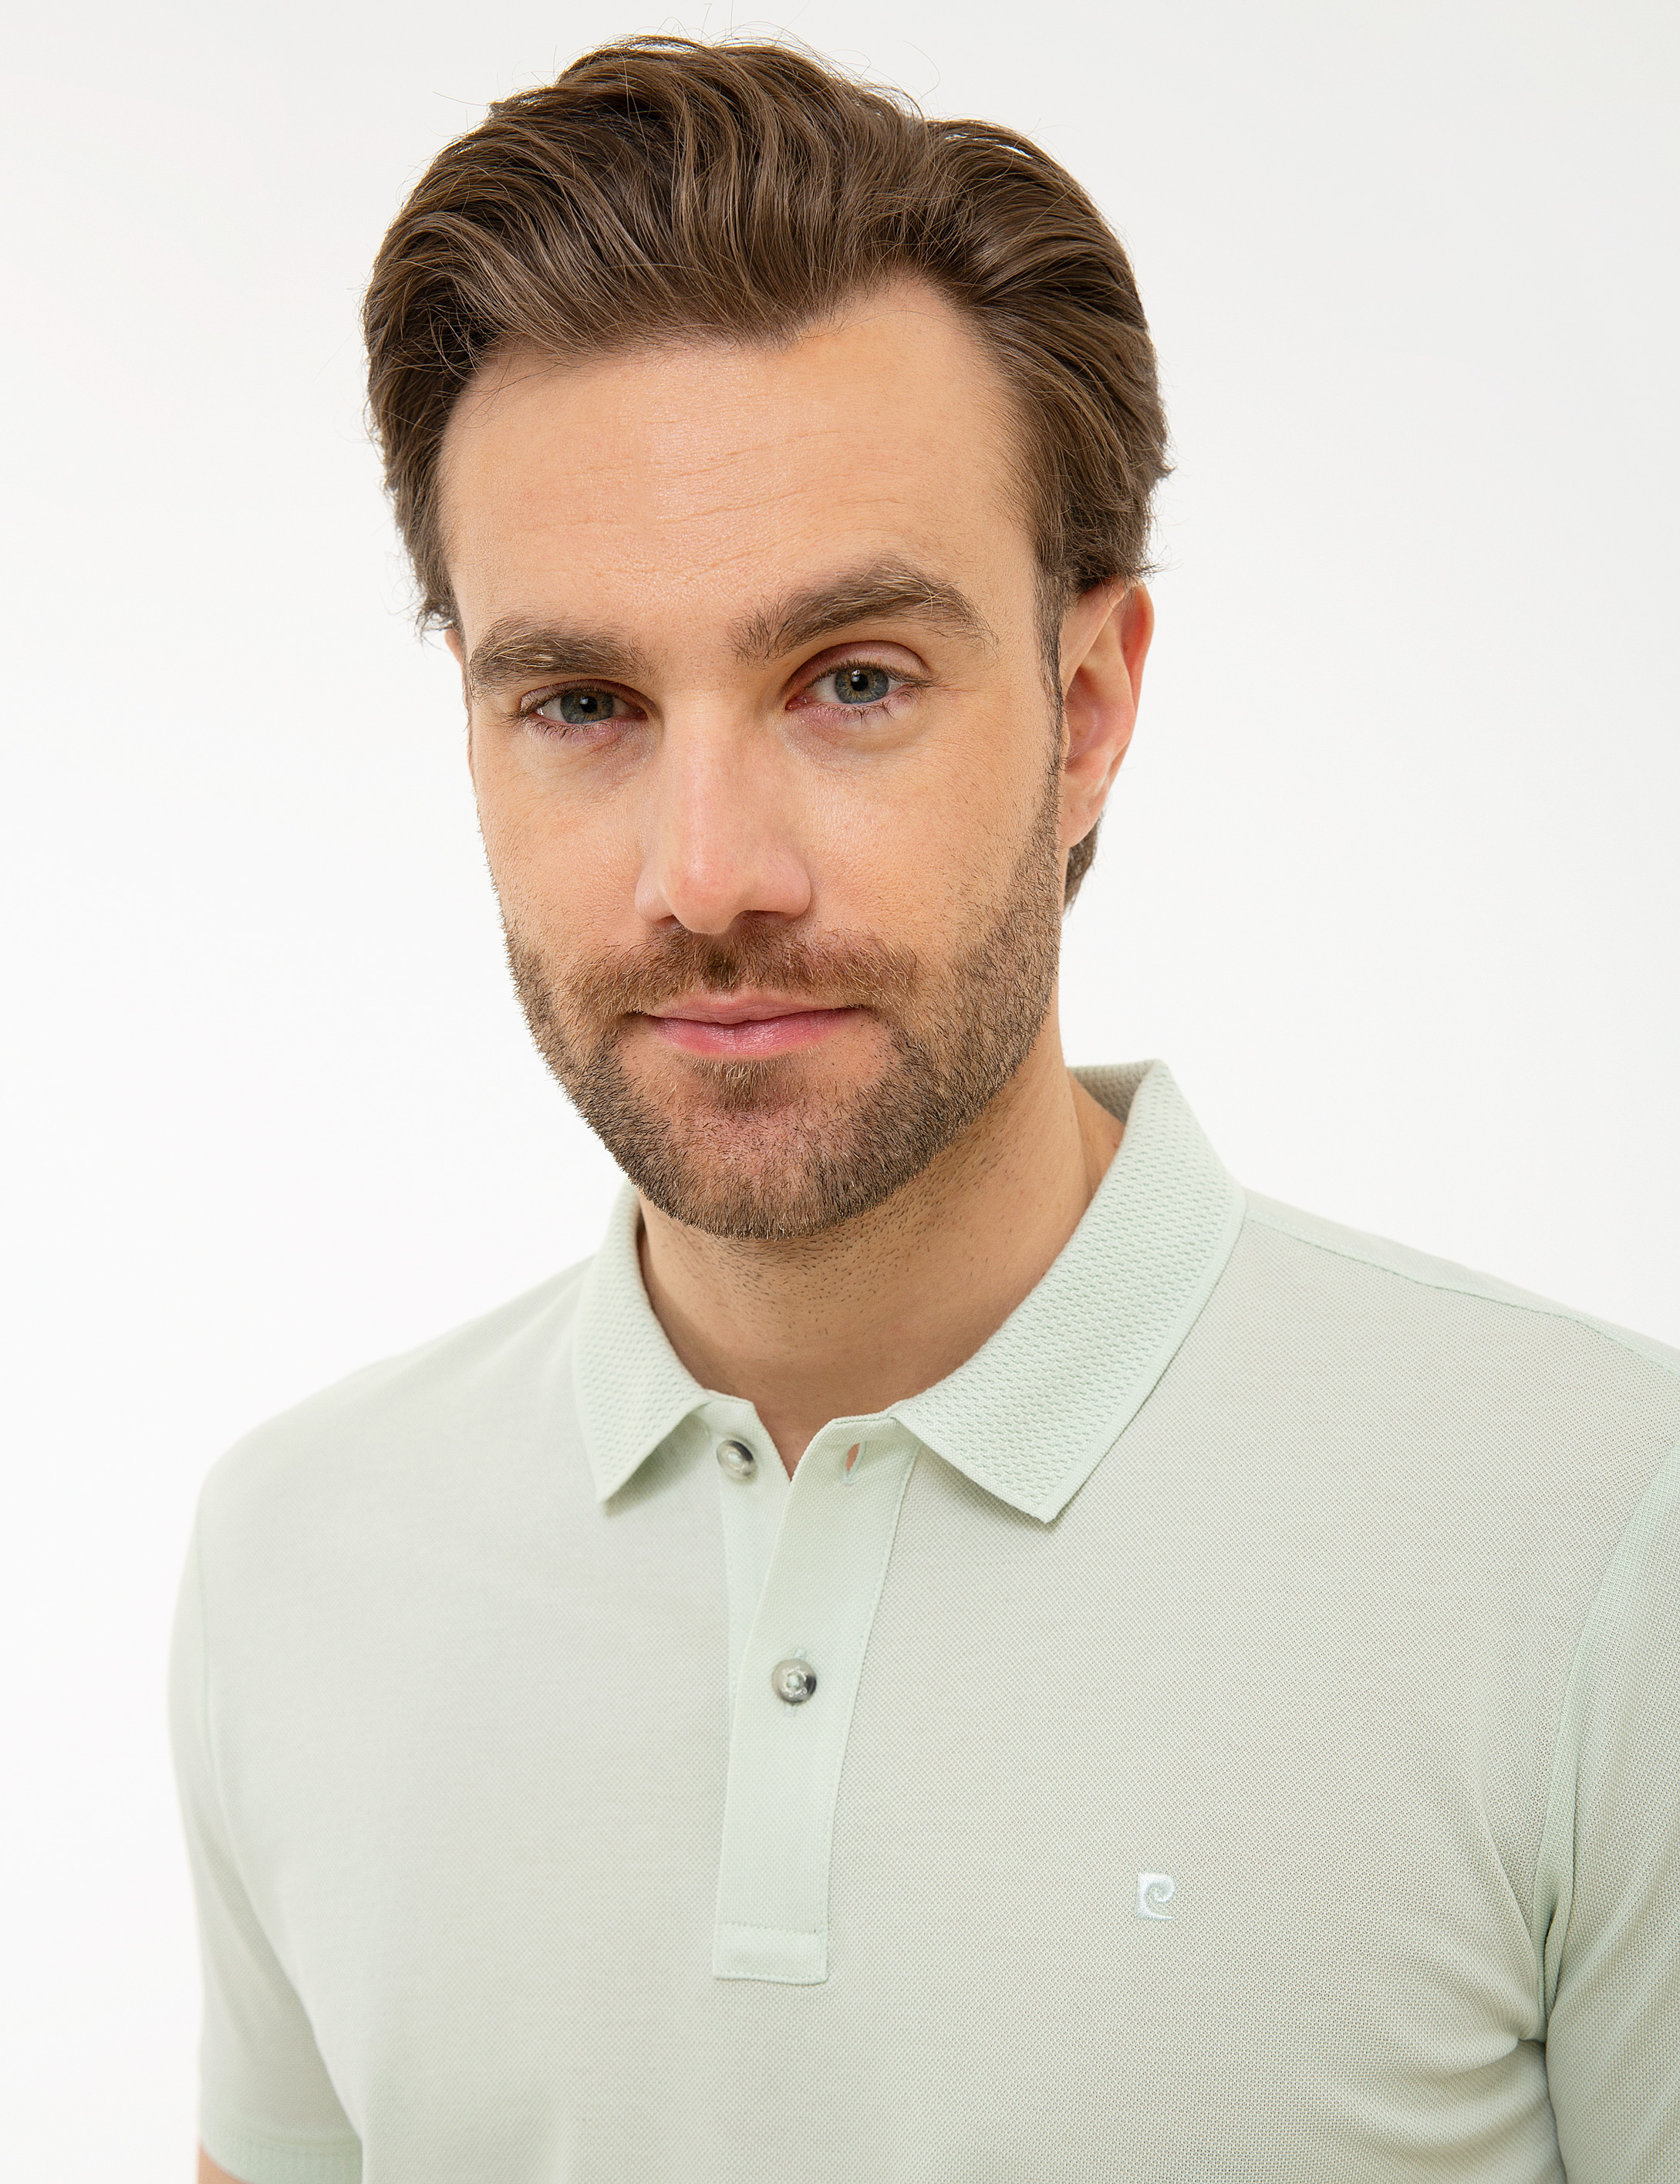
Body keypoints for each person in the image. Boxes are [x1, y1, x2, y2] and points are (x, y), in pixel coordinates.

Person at [173, 35, 1678, 2184]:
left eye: (853, 681)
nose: (708, 874)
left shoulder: (1607, 1543)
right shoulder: (297, 1558)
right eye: (582, 702)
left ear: (1087, 707)